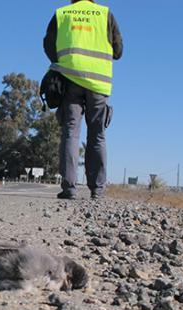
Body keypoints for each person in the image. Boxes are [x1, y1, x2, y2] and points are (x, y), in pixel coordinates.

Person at [44, 0, 123, 200]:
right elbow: (118, 50)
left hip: (69, 79)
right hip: (98, 83)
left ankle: (69, 188)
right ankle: (97, 190)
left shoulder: (62, 14)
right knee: (97, 134)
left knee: (71, 131)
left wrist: (65, 62)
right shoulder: (105, 14)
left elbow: (48, 45)